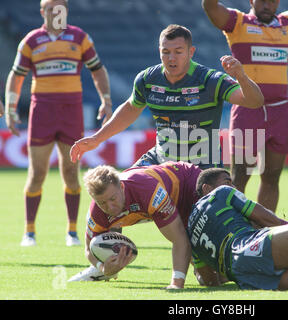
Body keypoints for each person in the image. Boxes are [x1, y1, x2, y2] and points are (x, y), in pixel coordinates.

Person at [202, 0, 288, 213]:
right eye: (262, 0)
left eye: (273, 1)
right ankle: (232, 231)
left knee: (272, 177)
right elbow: (210, 7)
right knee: (238, 178)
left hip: (280, 111)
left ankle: (263, 233)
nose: (268, 5)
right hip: (248, 110)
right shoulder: (237, 22)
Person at [70, 24, 264, 169]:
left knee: (206, 216)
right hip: (161, 160)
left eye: (178, 52)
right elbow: (130, 108)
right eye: (166, 52)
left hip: (203, 167)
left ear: (191, 52)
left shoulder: (211, 79)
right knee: (119, 196)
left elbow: (255, 101)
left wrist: (241, 77)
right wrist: (96, 138)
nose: (171, 58)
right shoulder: (147, 79)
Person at [4, 0, 113, 247]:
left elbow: (98, 70)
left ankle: (72, 232)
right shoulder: (31, 41)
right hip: (41, 110)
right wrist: (11, 108)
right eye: (52, 8)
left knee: (71, 172)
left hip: (71, 112)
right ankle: (29, 232)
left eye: (61, 8)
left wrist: (106, 99)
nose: (57, 12)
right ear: (43, 11)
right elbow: (16, 75)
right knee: (37, 173)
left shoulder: (79, 37)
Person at [68, 161, 203, 289]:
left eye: (113, 199)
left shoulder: (146, 190)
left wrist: (176, 284)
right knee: (207, 279)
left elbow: (179, 238)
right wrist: (103, 268)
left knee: (213, 277)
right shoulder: (96, 214)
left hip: (185, 186)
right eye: (102, 203)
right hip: (161, 200)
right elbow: (88, 249)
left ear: (121, 187)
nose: (109, 207)